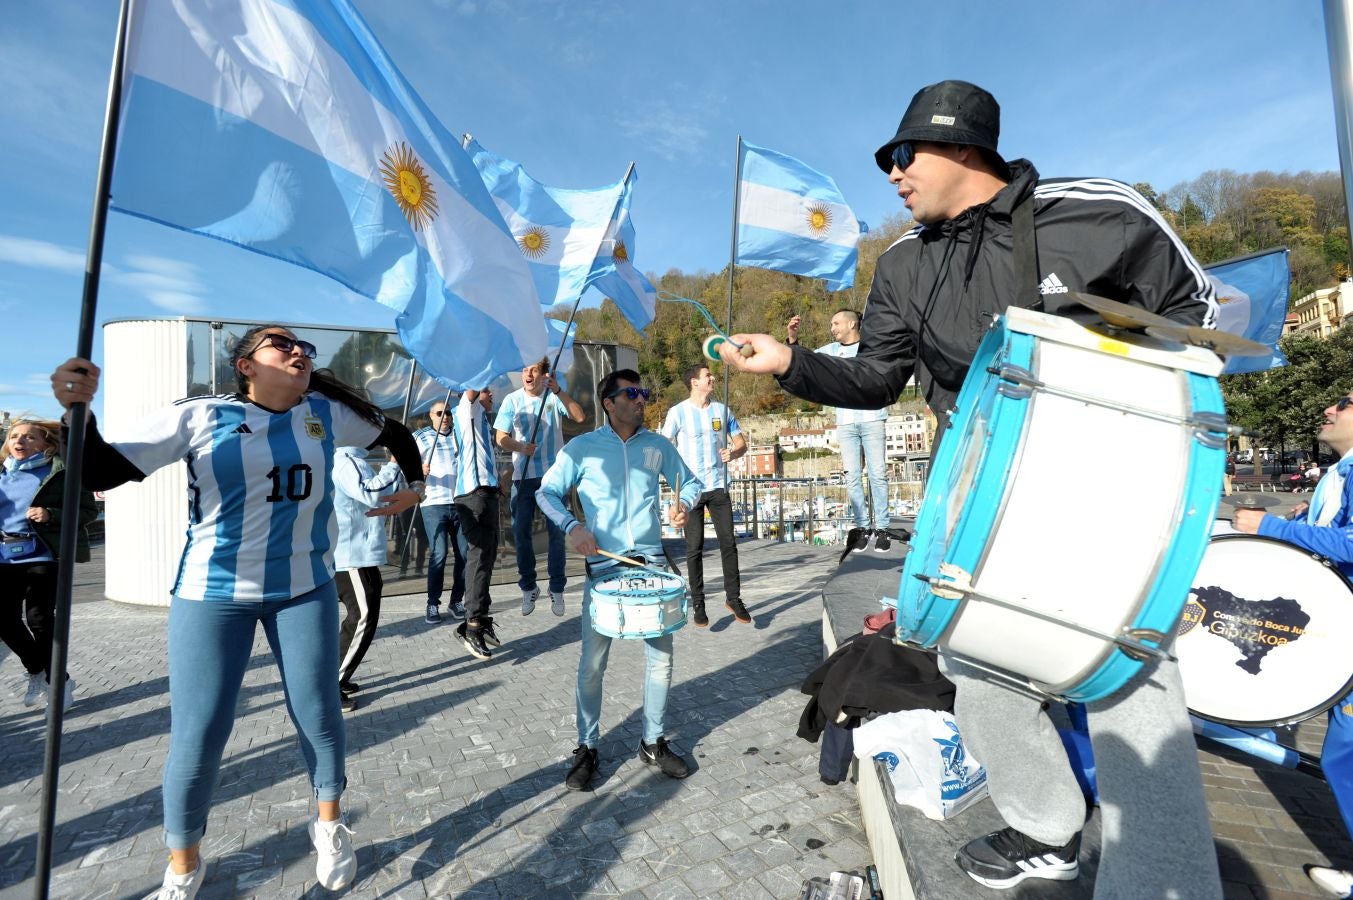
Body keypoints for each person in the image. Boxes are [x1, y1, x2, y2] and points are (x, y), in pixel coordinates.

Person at [719, 80, 1222, 897]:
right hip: (978, 499)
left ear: (960, 147)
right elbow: (878, 377)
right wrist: (789, 366)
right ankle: (1046, 827)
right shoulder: (903, 264)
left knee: (1133, 684)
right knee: (975, 664)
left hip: (1108, 494)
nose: (890, 173)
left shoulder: (1101, 212)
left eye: (900, 154)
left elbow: (1198, 319)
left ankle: (1159, 882)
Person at [51, 325, 425, 900]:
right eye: (282, 345)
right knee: (200, 734)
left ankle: (328, 826)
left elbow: (397, 433)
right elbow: (102, 472)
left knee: (319, 714)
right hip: (213, 593)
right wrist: (79, 414)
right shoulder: (199, 414)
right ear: (246, 366)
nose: (299, 352)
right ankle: (183, 868)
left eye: (304, 347)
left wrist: (416, 486)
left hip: (304, 588)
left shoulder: (324, 412)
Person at [536, 369, 701, 790]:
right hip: (604, 571)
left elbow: (692, 483)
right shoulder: (581, 448)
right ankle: (587, 746)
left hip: (652, 566)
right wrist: (573, 527)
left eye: (644, 392)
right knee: (592, 664)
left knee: (661, 659)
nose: (642, 399)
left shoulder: (658, 445)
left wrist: (682, 502)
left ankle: (652, 741)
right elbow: (546, 493)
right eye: (632, 393)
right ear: (609, 402)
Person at [1234, 393, 1353, 898]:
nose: (1329, 408)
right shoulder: (1341, 472)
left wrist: (1273, 526)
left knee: (1346, 757)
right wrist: (1308, 525)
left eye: (1345, 403)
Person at [0, 418, 97, 710]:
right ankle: (37, 671)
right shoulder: (2, 474)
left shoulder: (61, 474)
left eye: (29, 437)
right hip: (4, 556)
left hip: (43, 554)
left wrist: (50, 514)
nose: (20, 441)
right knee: (3, 619)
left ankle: (59, 683)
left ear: (46, 444)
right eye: (15, 436)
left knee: (40, 620)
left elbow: (88, 510)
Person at [787, 309, 892, 552]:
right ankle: (863, 527)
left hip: (872, 417)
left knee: (878, 474)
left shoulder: (871, 348)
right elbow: (804, 361)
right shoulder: (831, 351)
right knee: (852, 476)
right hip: (845, 421)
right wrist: (793, 340)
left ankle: (883, 529)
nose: (832, 327)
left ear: (852, 324)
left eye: (836, 323)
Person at [661, 364, 751, 627]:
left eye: (712, 375)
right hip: (691, 490)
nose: (712, 378)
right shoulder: (677, 413)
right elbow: (665, 447)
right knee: (694, 548)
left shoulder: (722, 411)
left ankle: (734, 598)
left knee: (729, 544)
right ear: (693, 382)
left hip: (719, 485)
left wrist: (733, 454)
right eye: (707, 376)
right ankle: (698, 602)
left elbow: (741, 443)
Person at [494, 357, 584, 617]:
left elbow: (579, 416)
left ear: (545, 374)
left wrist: (557, 390)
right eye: (524, 370)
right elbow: (501, 437)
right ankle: (528, 586)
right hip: (524, 476)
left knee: (557, 532)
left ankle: (556, 588)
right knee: (520, 532)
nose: (528, 374)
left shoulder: (553, 397)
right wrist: (520, 447)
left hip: (553, 477)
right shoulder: (512, 400)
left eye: (534, 370)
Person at [333, 444, 402, 713]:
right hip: (351, 556)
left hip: (356, 555)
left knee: (361, 616)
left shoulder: (350, 458)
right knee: (361, 617)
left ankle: (337, 675)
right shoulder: (346, 459)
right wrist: (395, 464)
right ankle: (330, 683)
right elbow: (373, 496)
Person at [451, 386, 502, 661]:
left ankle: (479, 618)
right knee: (479, 557)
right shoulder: (468, 410)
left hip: (488, 492)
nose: (491, 394)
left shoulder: (483, 420)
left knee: (488, 556)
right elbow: (471, 387)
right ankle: (471, 624)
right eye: (486, 391)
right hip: (473, 494)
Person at [414, 399, 466, 624]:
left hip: (461, 502)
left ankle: (456, 601)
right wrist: (418, 469)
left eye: (448, 413)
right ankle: (432, 603)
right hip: (433, 503)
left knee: (465, 554)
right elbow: (401, 463)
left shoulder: (459, 435)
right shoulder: (421, 437)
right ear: (431, 415)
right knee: (439, 553)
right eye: (440, 413)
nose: (445, 417)